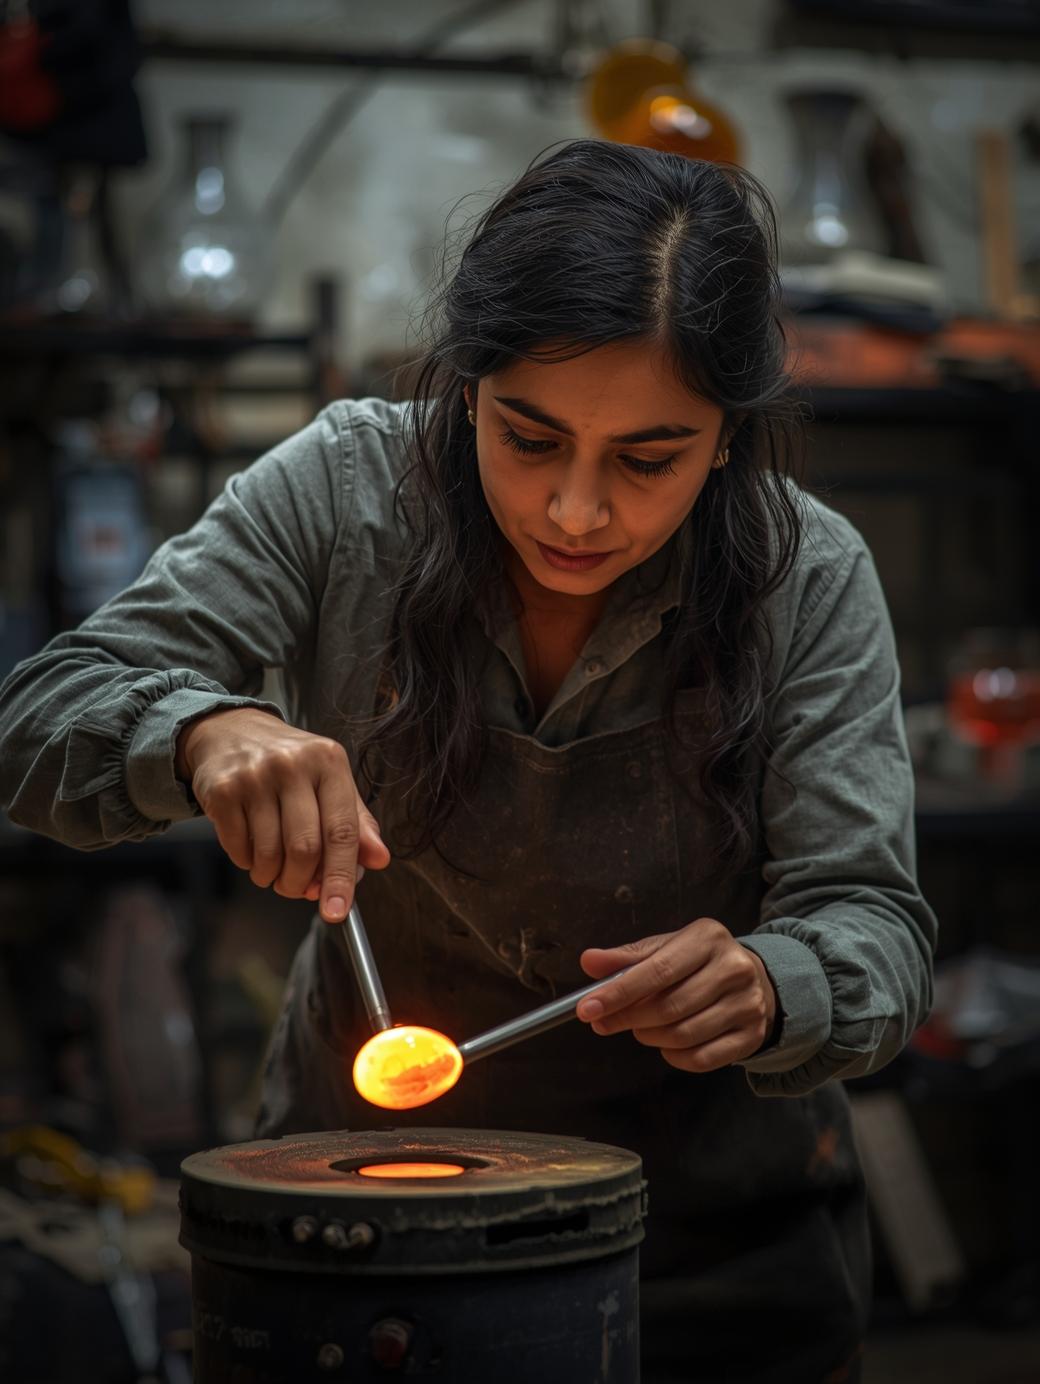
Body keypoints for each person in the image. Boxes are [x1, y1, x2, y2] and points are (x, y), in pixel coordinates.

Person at [0, 139, 936, 1383]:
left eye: (646, 458)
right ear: (464, 387)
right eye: (527, 437)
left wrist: (774, 984)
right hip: (354, 1231)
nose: (575, 512)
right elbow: (42, 715)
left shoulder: (803, 577)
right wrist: (199, 731)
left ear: (726, 439)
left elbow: (873, 923)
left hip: (705, 1257)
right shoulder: (344, 494)